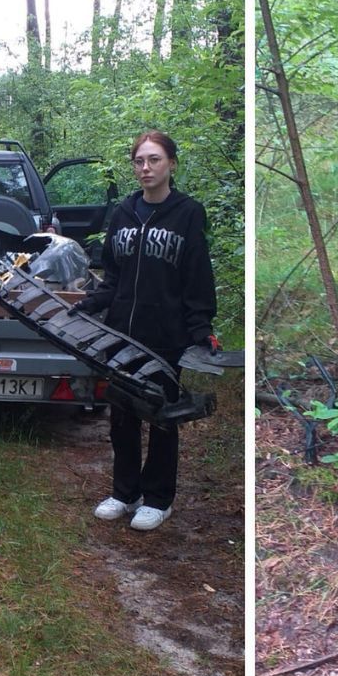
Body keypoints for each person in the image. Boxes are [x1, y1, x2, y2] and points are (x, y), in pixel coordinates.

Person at [73, 131, 218, 531]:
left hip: (166, 337)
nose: (146, 168)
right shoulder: (122, 213)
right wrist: (91, 303)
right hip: (122, 336)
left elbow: (197, 277)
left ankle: (158, 498)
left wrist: (200, 326)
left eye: (154, 160)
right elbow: (113, 276)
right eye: (139, 161)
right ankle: (125, 492)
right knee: (121, 416)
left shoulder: (188, 213)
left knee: (161, 416)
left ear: (171, 163)